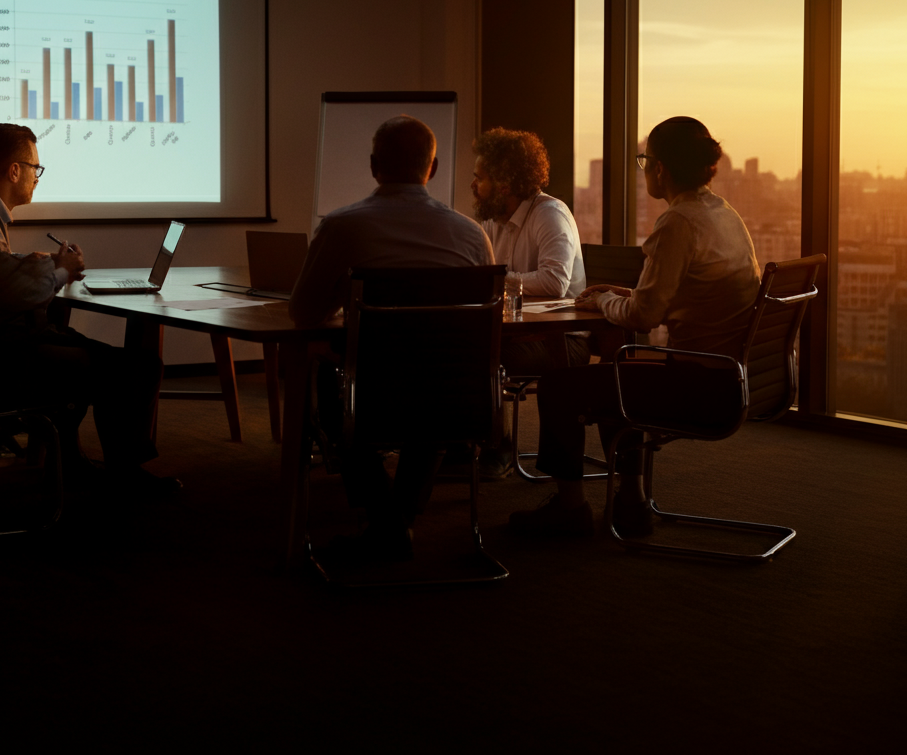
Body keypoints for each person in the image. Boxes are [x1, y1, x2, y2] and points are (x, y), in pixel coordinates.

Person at [508, 116, 761, 538]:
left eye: (645, 160)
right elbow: (683, 293)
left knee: (560, 386)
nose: (643, 169)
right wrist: (625, 292)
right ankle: (632, 499)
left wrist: (605, 301)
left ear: (659, 168)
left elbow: (645, 318)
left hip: (696, 384)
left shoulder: (678, 223)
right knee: (616, 378)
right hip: (728, 376)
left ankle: (571, 509)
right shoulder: (722, 213)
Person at [0, 123, 178, 497]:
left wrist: (47, 265)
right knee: (135, 367)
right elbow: (6, 292)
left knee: (79, 347)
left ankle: (70, 464)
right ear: (14, 170)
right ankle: (123, 477)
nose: (38, 177)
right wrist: (61, 271)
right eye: (35, 168)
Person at [289, 115, 494, 561]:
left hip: (371, 396)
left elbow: (303, 314)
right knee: (433, 383)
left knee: (332, 376)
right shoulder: (471, 234)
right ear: (433, 168)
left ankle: (385, 522)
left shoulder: (343, 226)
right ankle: (400, 516)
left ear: (372, 165)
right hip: (456, 397)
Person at [471, 127, 588, 478]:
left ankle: (498, 446)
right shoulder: (493, 221)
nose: (473, 185)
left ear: (504, 183)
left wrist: (494, 279)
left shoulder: (549, 215)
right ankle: (471, 442)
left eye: (480, 178)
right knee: (464, 345)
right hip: (518, 332)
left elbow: (554, 283)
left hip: (563, 340)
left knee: (480, 353)